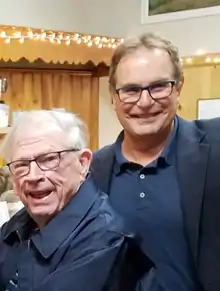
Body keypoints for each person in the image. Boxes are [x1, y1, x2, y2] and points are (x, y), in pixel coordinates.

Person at [91, 32, 220, 291]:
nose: (145, 102)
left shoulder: (216, 144)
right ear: (113, 95)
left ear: (179, 87)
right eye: (131, 89)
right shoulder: (91, 170)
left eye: (159, 86)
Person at [0, 110, 134, 291]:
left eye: (48, 160)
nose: (33, 176)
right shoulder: (21, 223)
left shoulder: (104, 240)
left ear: (83, 163)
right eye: (21, 165)